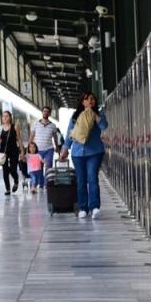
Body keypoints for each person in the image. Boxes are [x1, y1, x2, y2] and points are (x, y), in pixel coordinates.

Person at [60, 91, 108, 219]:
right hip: (77, 153)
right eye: (87, 99)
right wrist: (65, 148)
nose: (90, 101)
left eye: (92, 99)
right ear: (82, 102)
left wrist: (94, 114)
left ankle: (94, 207)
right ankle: (83, 208)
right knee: (81, 181)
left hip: (94, 152)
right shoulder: (75, 116)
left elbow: (104, 126)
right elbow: (70, 133)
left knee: (92, 178)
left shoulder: (99, 114)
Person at [0, 110, 24, 195]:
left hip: (13, 151)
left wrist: (22, 151)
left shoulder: (15, 127)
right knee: (5, 171)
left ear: (10, 117)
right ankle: (7, 189)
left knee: (13, 169)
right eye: (3, 116)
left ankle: (16, 181)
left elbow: (19, 139)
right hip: (3, 152)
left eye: (7, 116)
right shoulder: (0, 128)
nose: (4, 117)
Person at [28, 106, 60, 171]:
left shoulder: (52, 125)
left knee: (49, 166)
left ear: (49, 114)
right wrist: (28, 148)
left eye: (47, 112)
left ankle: (47, 181)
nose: (46, 113)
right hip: (37, 150)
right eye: (44, 111)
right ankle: (41, 181)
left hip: (49, 149)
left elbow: (55, 137)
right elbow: (31, 136)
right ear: (42, 112)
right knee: (38, 168)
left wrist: (57, 147)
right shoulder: (36, 123)